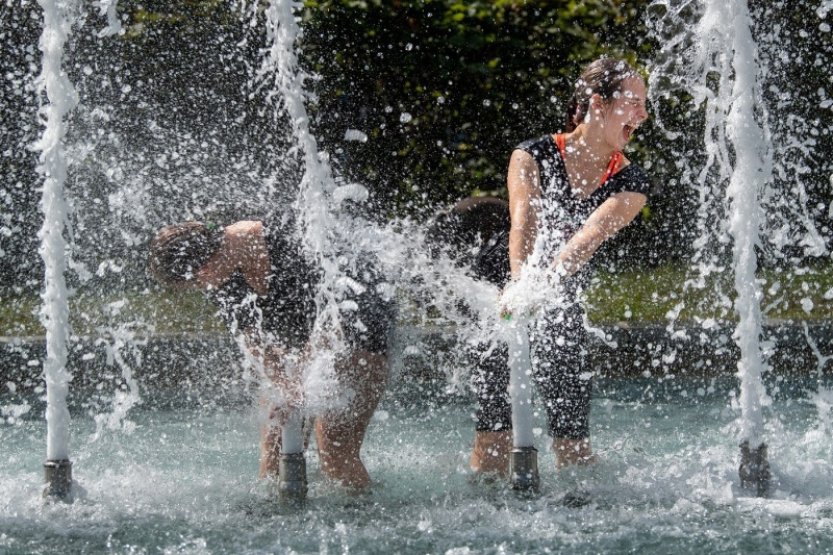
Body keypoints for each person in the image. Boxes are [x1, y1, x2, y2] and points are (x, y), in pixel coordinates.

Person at [474, 57, 651, 475]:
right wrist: (519, 286)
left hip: (560, 289)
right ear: (597, 104)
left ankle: (585, 516)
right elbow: (525, 221)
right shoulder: (531, 154)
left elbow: (585, 240)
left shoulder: (632, 182)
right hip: (503, 280)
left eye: (645, 104)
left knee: (572, 435)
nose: (644, 114)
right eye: (634, 102)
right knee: (495, 432)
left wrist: (539, 290)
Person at [148, 214, 394, 490]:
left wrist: (298, 384)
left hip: (357, 327)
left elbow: (337, 312)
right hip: (307, 338)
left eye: (195, 283)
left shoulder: (290, 236)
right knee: (273, 443)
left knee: (335, 455)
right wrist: (285, 385)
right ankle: (274, 518)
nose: (202, 288)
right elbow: (255, 341)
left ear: (203, 269)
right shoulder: (223, 276)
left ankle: (364, 518)